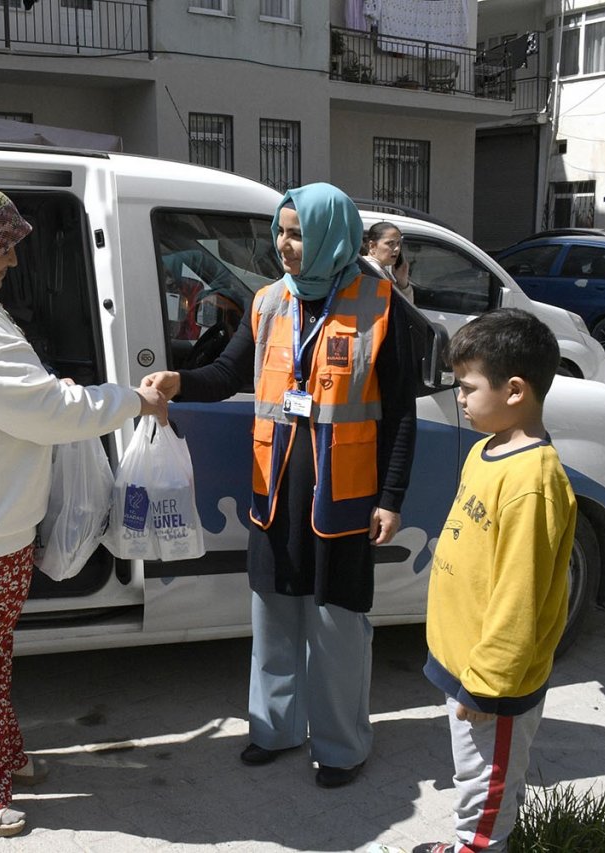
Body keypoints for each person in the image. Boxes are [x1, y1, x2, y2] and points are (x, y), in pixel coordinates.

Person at [0, 183, 169, 837]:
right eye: (3, 249)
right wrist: (132, 400)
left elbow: (25, 396)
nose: (12, 263)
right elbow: (47, 412)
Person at [142, 183, 419, 788]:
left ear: (331, 236)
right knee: (272, 618)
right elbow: (224, 374)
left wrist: (391, 498)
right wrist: (177, 382)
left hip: (343, 496)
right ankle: (275, 729)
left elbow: (400, 413)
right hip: (275, 491)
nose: (284, 246)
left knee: (337, 627)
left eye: (297, 234)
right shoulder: (269, 302)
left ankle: (342, 746)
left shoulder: (382, 305)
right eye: (281, 233)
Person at [413, 308, 577, 853]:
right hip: (464, 662)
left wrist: (487, 683)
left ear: (513, 390)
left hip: (494, 683)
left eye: (466, 387)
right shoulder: (489, 448)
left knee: (487, 790)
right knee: (472, 775)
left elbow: (519, 598)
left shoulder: (535, 481)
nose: (459, 398)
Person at [361, 221, 415, 303]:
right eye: (390, 243)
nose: (397, 249)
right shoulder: (373, 271)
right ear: (372, 246)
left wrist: (402, 283)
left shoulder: (380, 269)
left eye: (398, 243)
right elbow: (399, 308)